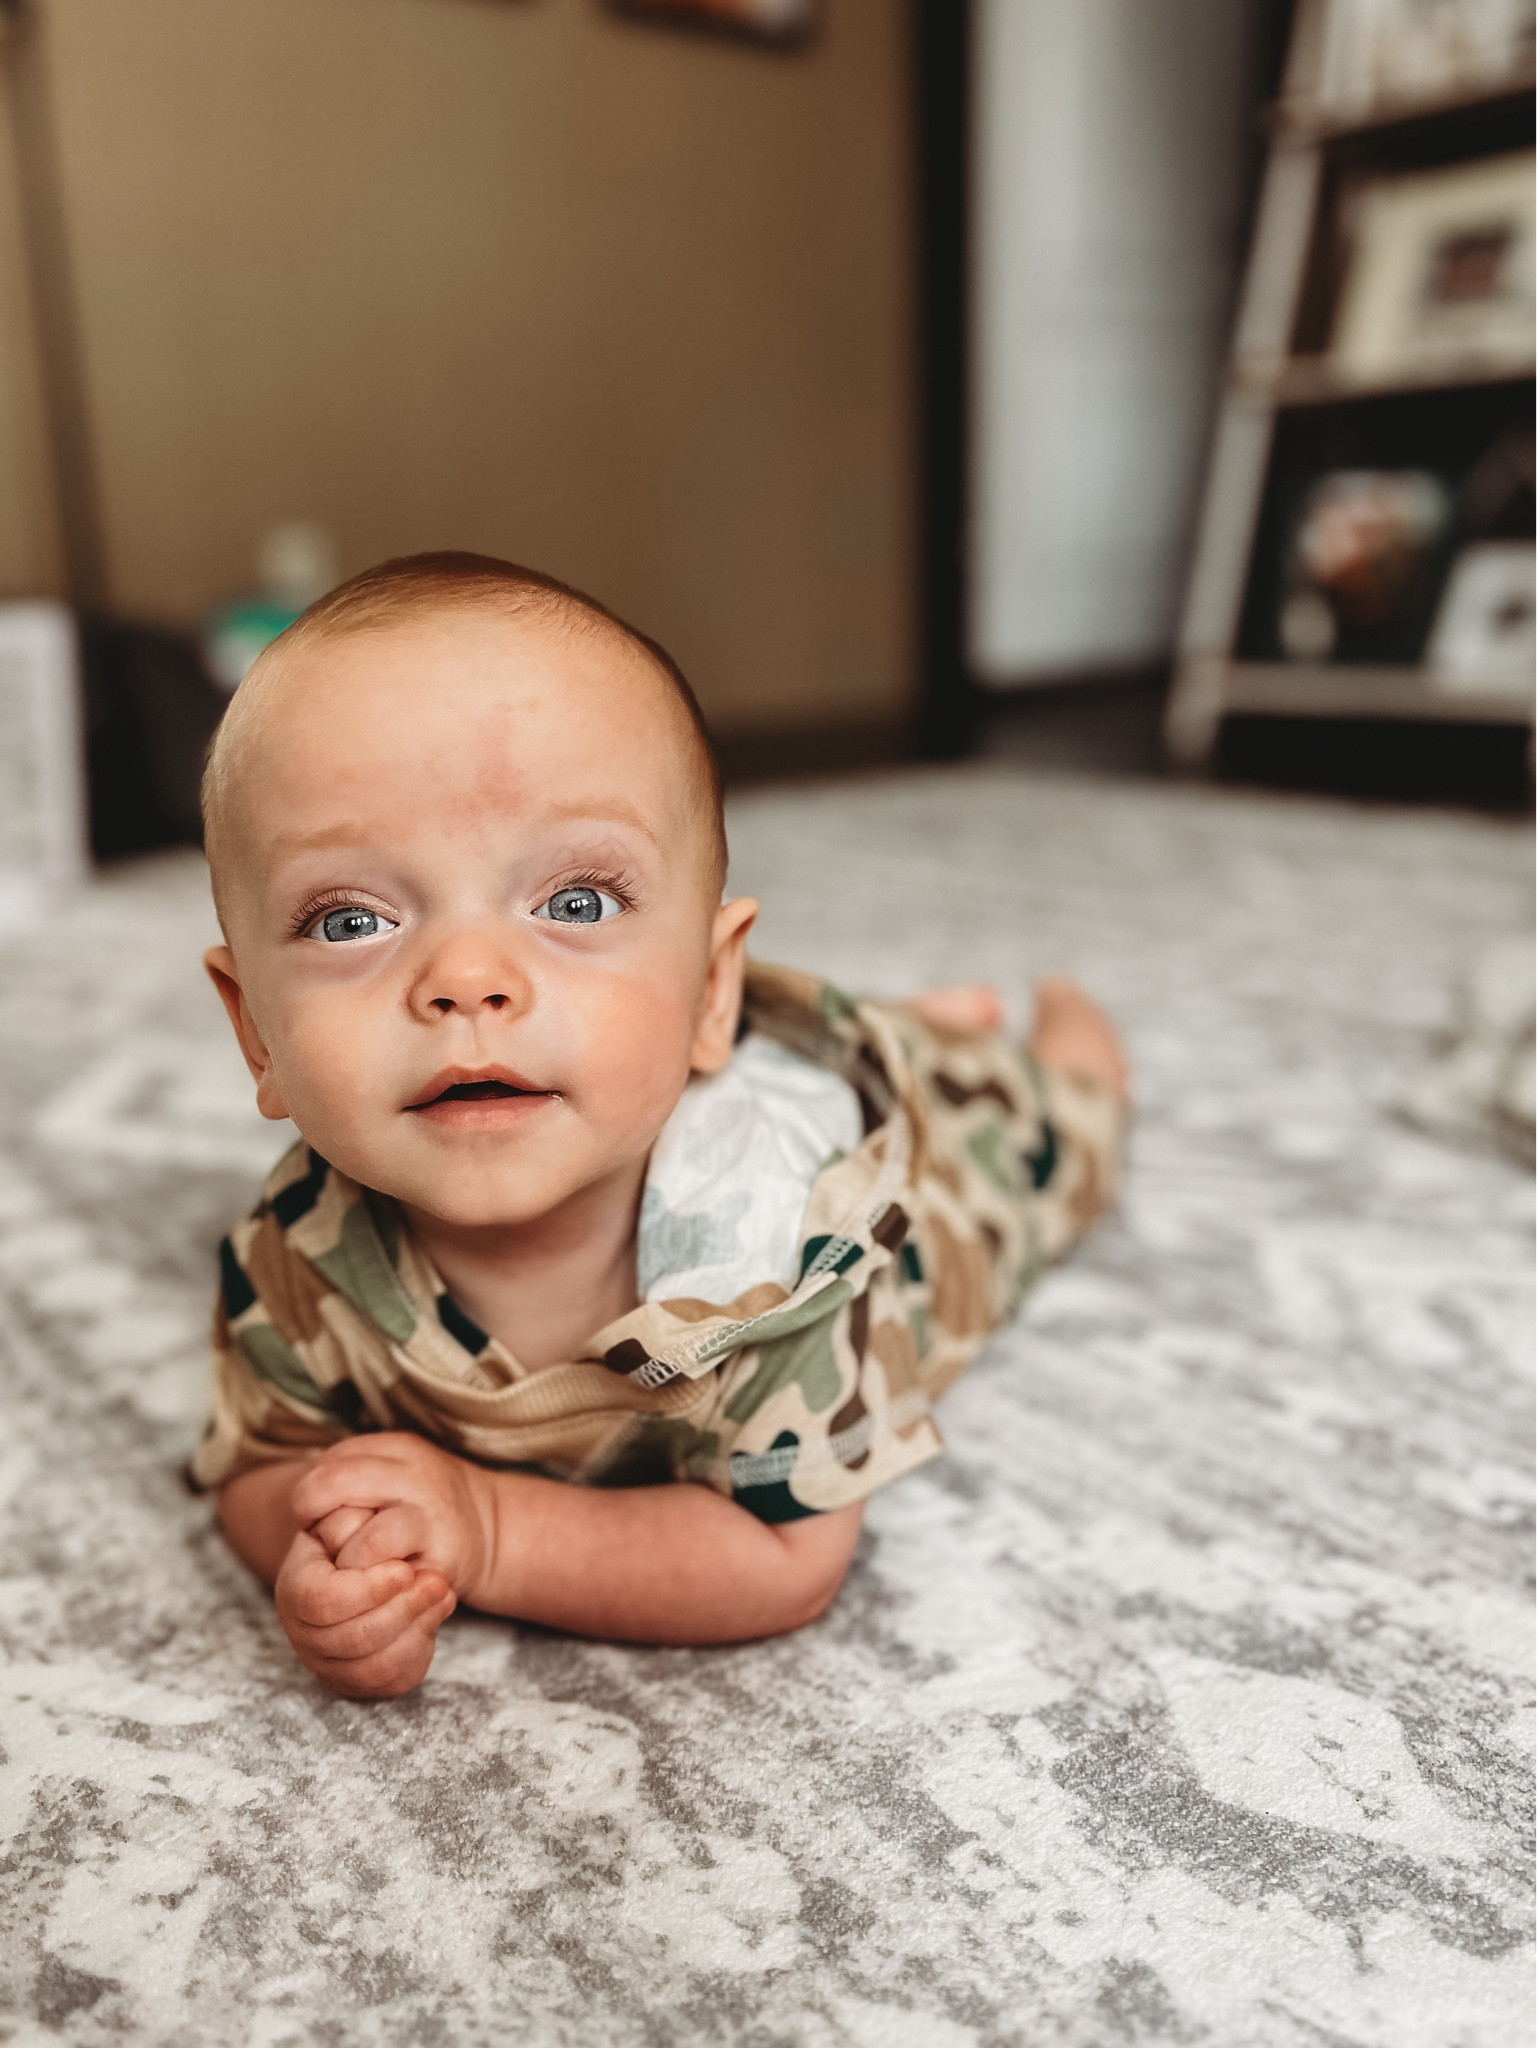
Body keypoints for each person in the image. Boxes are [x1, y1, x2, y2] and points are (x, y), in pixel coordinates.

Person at [193, 552, 1128, 1699]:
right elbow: (261, 1460)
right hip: (714, 1051)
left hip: (948, 1188)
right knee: (772, 1039)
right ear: (254, 1029)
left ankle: (1014, 1048)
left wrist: (488, 1528)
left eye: (576, 901)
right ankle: (901, 1021)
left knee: (1054, 1138)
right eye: (350, 919)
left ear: (710, 989)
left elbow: (782, 1553)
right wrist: (334, 1551)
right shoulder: (295, 1255)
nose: (467, 979)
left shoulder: (780, 1245)